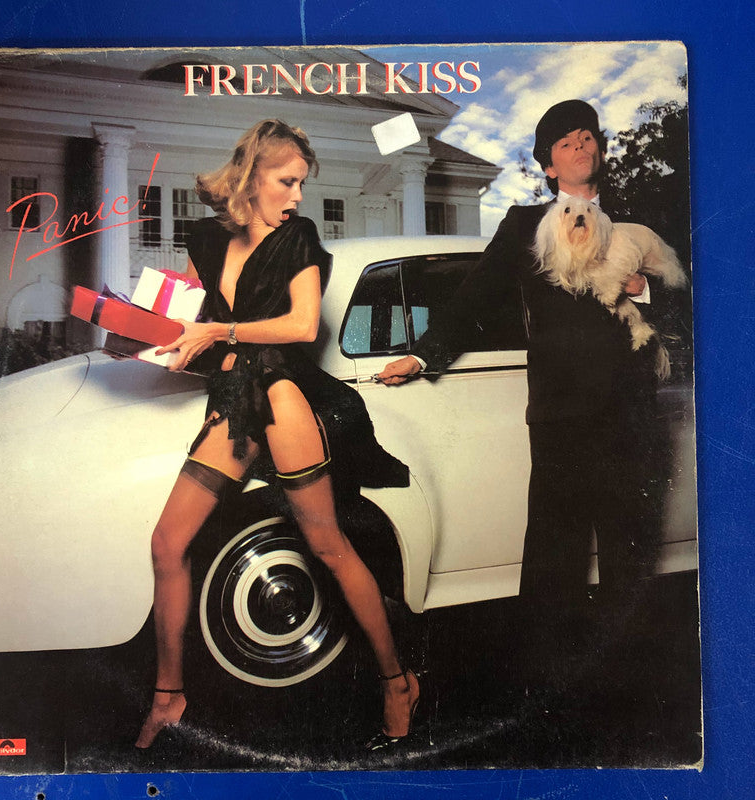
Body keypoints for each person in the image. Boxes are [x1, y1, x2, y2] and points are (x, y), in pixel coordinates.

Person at [135, 119, 419, 752]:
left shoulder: (299, 237)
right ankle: (169, 695)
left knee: (328, 546)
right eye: (286, 181)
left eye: (301, 184)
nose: (296, 195)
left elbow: (300, 326)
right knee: (167, 543)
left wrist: (218, 333)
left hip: (283, 396)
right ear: (250, 176)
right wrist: (152, 340)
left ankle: (397, 681)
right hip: (231, 399)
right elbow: (183, 318)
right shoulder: (205, 238)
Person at [379, 100, 672, 620]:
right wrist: (422, 356)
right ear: (550, 166)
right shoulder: (523, 225)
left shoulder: (637, 226)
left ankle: (627, 669)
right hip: (562, 416)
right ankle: (547, 670)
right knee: (554, 559)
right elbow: (473, 298)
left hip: (631, 414)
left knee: (630, 558)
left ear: (600, 150)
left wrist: (643, 287)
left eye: (588, 137)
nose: (581, 146)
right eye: (567, 142)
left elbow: (686, 296)